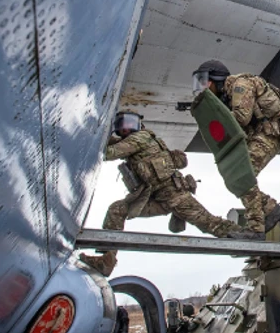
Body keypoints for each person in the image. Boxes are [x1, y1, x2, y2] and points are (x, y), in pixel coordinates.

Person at [79, 112, 245, 276]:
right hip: (156, 198)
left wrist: (95, 134)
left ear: (138, 125)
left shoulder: (140, 138)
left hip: (175, 196)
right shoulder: (139, 140)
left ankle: (245, 234)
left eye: (129, 123)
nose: (125, 128)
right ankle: (106, 261)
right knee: (117, 210)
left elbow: (109, 153)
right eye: (122, 125)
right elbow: (117, 145)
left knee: (209, 223)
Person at [192, 60, 280, 238]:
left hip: (272, 131)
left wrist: (214, 114)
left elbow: (240, 118)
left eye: (205, 82)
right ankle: (272, 209)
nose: (203, 87)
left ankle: (256, 229)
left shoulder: (241, 85)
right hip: (261, 132)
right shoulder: (226, 95)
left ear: (216, 79)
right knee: (235, 178)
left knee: (242, 173)